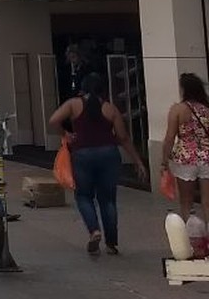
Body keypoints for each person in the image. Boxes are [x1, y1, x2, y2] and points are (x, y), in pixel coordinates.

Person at [49, 74, 146, 255]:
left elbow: (53, 120)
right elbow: (123, 137)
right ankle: (111, 244)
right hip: (109, 154)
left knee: (83, 196)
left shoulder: (73, 104)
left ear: (83, 88)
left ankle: (94, 230)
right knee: (108, 200)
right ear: (102, 89)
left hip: (82, 154)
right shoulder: (110, 108)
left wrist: (65, 134)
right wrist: (138, 161)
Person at [160, 72, 209, 222]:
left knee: (187, 203)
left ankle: (192, 233)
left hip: (186, 158)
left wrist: (164, 161)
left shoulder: (177, 110)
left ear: (184, 90)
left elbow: (169, 138)